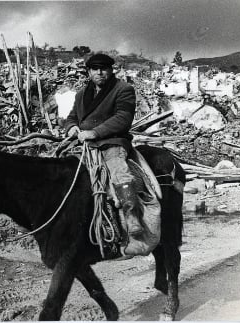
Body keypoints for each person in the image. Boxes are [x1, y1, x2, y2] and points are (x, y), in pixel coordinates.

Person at [64, 53, 145, 254]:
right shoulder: (81, 94)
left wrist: (95, 132)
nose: (99, 72)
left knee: (119, 172)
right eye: (95, 69)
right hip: (83, 145)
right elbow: (71, 117)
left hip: (111, 142)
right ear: (89, 72)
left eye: (104, 68)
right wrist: (72, 127)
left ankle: (132, 216)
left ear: (111, 70)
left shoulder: (123, 89)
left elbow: (123, 118)